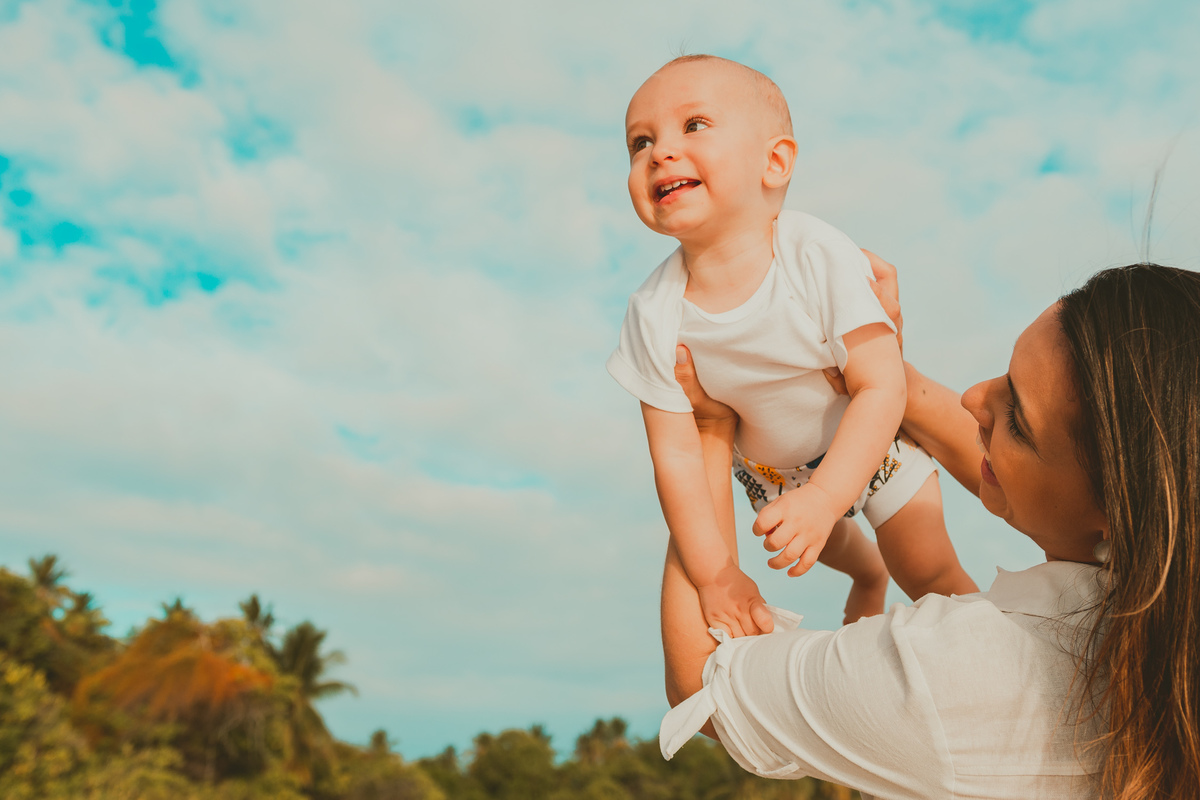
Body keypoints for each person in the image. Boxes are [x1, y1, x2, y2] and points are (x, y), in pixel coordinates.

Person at [658, 258, 1200, 799]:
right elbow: (1026, 479)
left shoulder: (950, 679)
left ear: (1118, 511)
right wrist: (891, 380)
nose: (972, 398)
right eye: (1005, 376)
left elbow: (701, 683)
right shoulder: (1163, 579)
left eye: (1015, 416)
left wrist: (706, 432)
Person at [607, 54, 977, 634]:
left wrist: (828, 497)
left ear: (774, 161)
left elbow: (882, 385)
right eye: (639, 142)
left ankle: (994, 645)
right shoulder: (652, 311)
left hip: (867, 445)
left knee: (926, 565)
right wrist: (714, 574)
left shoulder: (814, 253)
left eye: (693, 125)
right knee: (840, 551)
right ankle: (867, 578)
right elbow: (675, 455)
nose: (660, 152)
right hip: (773, 475)